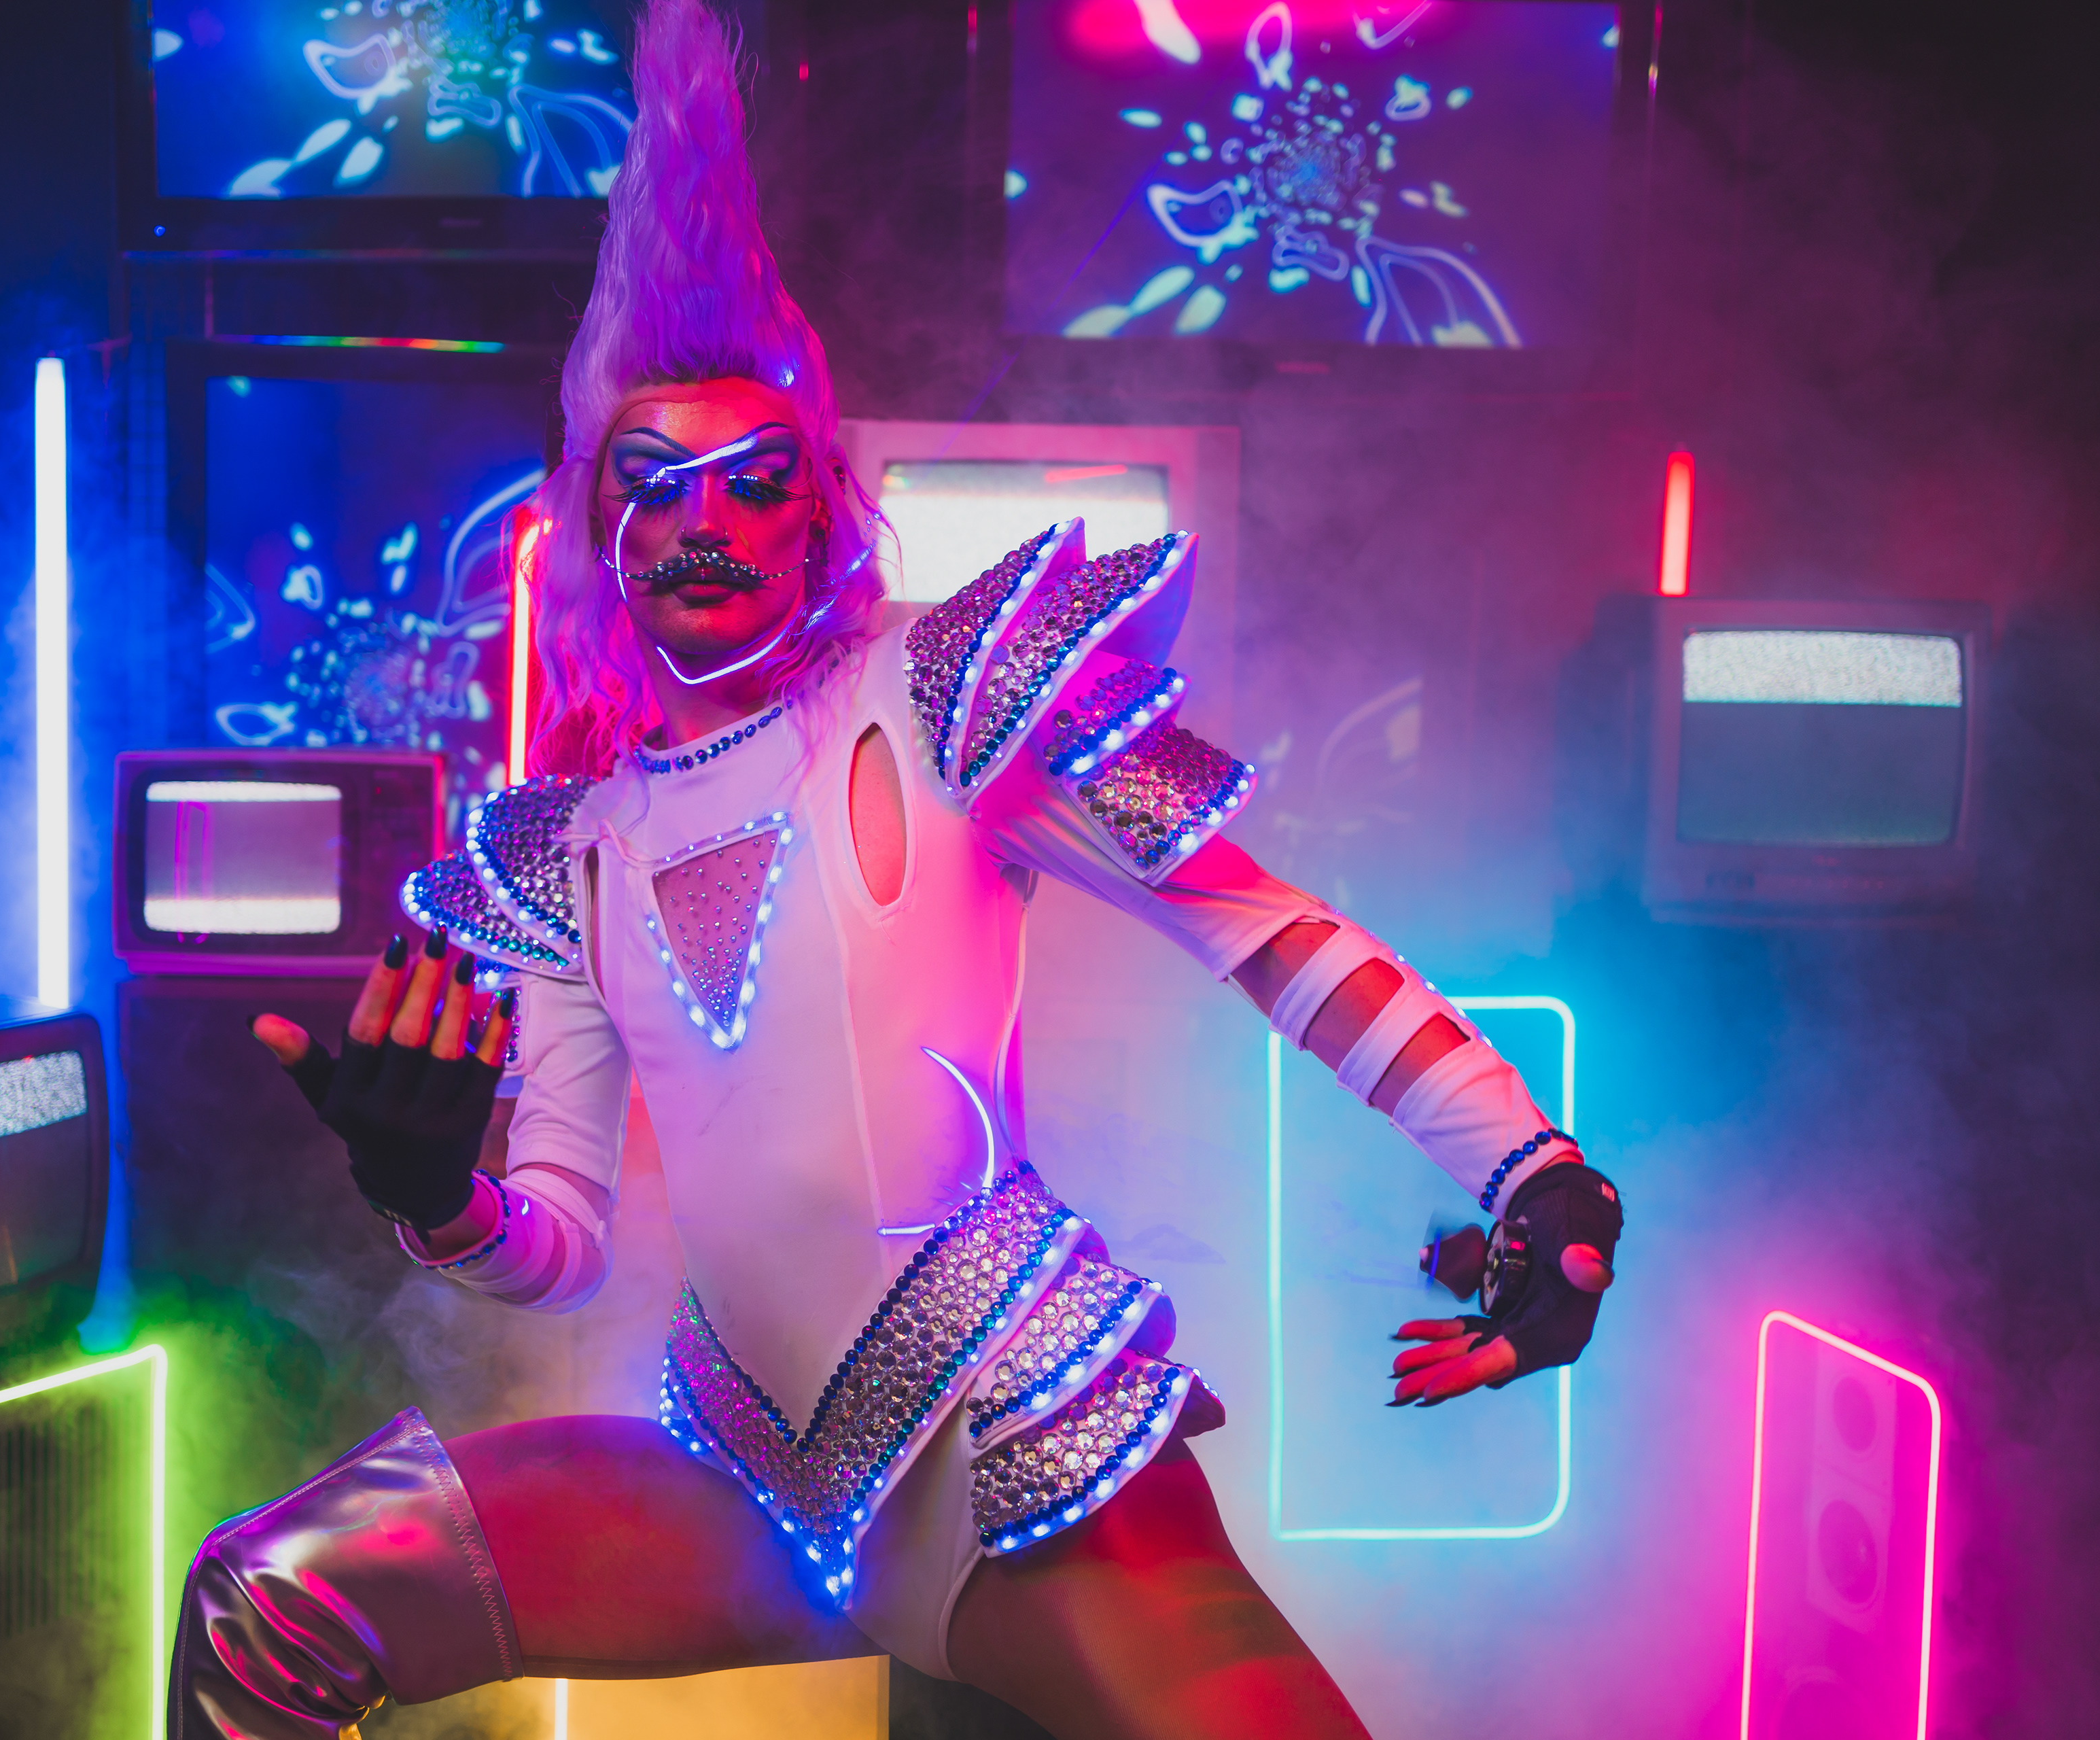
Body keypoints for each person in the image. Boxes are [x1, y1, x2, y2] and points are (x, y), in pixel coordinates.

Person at [173, 5, 1622, 1735]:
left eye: (754, 481)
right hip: (754, 1484)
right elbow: (557, 1242)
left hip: (1025, 1447)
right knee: (273, 1595)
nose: (704, 520)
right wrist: (439, 1196)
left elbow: (1267, 931)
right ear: (600, 528)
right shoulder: (571, 847)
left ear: (823, 513)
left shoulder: (952, 694)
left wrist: (1533, 1167)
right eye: (654, 483)